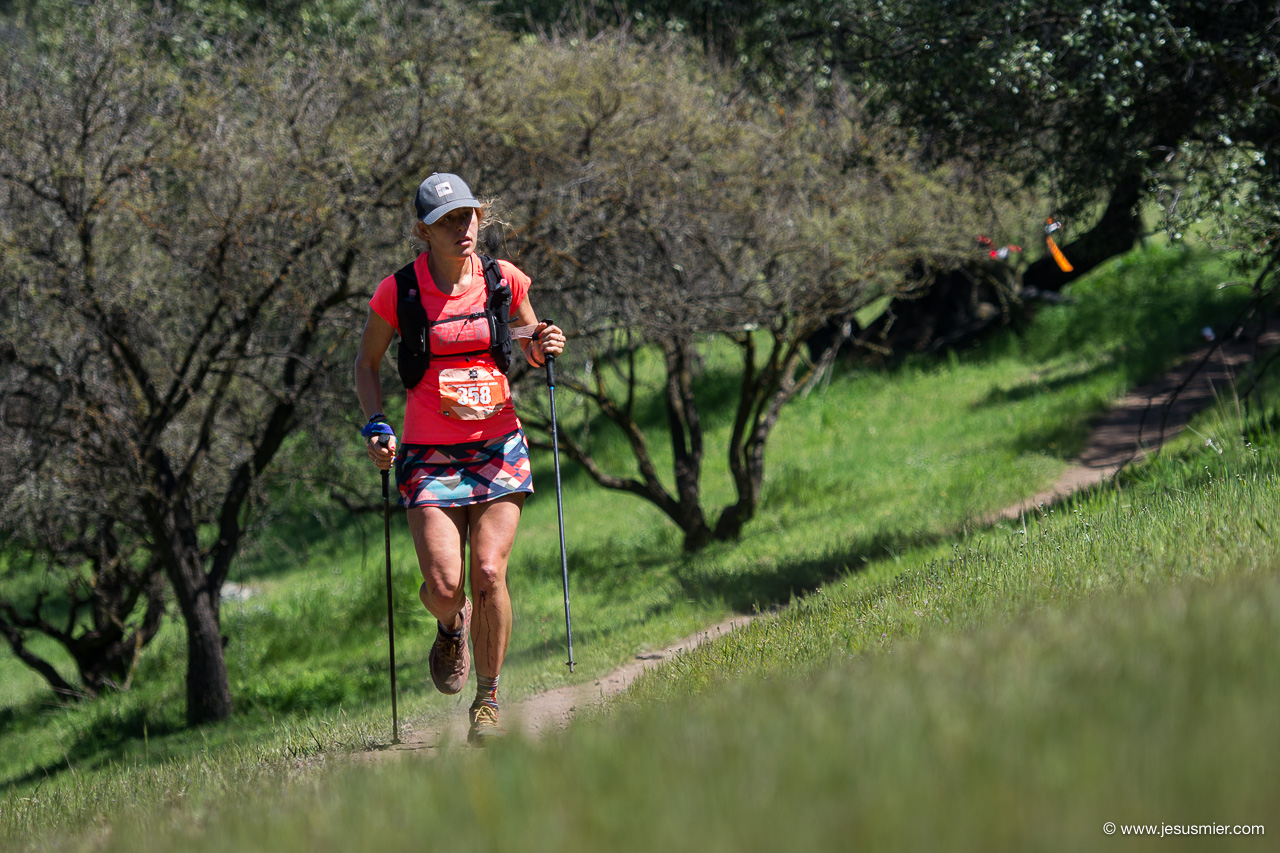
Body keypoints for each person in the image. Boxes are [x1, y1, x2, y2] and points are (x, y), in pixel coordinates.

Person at [353, 172, 565, 744]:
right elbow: (366, 364)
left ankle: (488, 701)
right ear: (423, 229)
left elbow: (531, 342)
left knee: (490, 572)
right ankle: (451, 626)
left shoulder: (505, 281)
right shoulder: (397, 292)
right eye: (447, 220)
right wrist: (377, 426)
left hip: (499, 448)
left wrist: (545, 344)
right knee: (446, 586)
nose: (461, 228)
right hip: (429, 455)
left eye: (468, 216)